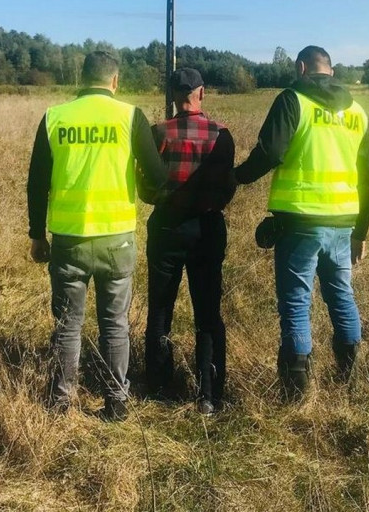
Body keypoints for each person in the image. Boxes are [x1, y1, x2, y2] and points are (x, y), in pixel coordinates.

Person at [27, 51, 167, 421]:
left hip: (69, 240)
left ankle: (60, 402)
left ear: (82, 78)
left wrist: (37, 235)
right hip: (117, 240)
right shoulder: (130, 116)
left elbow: (36, 182)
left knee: (68, 324)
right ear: (115, 81)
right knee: (114, 324)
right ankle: (116, 403)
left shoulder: (55, 117)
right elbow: (157, 175)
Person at [234, 45, 369, 400]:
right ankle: (350, 380)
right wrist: (361, 232)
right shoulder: (357, 111)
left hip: (299, 221)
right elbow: (368, 178)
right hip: (343, 221)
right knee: (342, 296)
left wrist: (235, 178)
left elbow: (270, 152)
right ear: (331, 69)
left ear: (301, 68)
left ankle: (296, 395)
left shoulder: (292, 99)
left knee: (297, 304)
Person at [141, 68, 236, 415]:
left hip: (166, 226)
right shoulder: (221, 135)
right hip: (207, 228)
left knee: (161, 307)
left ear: (171, 96)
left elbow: (146, 187)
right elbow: (227, 187)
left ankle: (158, 386)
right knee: (208, 312)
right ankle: (209, 394)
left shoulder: (158, 132)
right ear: (202, 93)